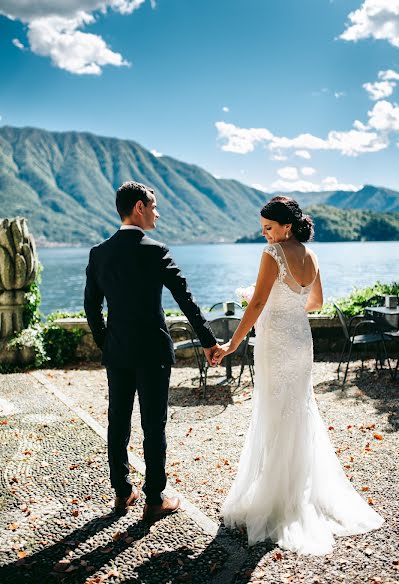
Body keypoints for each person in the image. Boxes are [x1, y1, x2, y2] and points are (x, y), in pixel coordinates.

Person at [213, 196, 384, 555]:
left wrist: (231, 343)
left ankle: (278, 500)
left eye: (269, 228)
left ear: (286, 226)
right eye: (262, 229)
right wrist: (285, 302)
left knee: (275, 415)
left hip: (275, 342)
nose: (265, 236)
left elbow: (258, 304)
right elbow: (316, 302)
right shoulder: (311, 255)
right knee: (299, 411)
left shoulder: (272, 256)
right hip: (300, 341)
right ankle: (299, 490)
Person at [84, 181, 219, 522]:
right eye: (154, 206)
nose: (157, 212)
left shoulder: (99, 253)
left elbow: (91, 307)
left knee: (118, 420)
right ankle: (155, 498)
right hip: (153, 352)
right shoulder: (155, 250)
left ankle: (122, 491)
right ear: (140, 207)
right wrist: (207, 340)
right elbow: (185, 298)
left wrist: (106, 341)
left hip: (118, 352)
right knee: (153, 424)